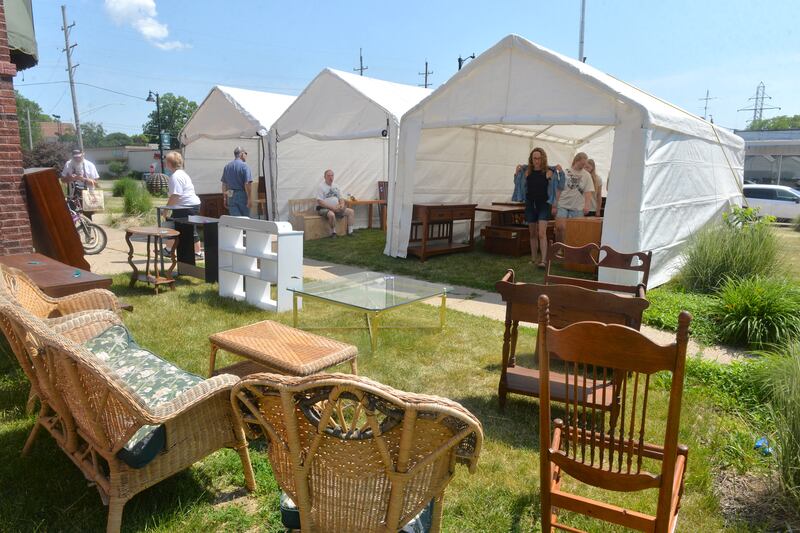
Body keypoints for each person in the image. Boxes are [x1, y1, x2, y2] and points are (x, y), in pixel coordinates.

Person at [512, 148, 564, 266]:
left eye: (539, 158)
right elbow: (517, 184)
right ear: (531, 159)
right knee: (532, 234)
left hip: (544, 205)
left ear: (543, 158)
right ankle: (534, 259)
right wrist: (516, 172)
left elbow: (561, 185)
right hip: (530, 204)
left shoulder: (549, 172)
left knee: (541, 233)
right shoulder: (527, 172)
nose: (537, 161)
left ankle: (544, 260)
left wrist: (560, 172)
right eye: (535, 158)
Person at [162, 151, 203, 257]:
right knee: (177, 227)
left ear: (170, 163)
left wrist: (166, 209)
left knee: (175, 227)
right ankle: (169, 249)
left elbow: (175, 195)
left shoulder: (175, 176)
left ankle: (195, 252)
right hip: (189, 205)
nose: (165, 163)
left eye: (166, 161)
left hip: (186, 206)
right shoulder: (182, 174)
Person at [553, 152, 594, 242]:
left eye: (585, 164)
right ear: (576, 161)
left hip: (578, 207)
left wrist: (587, 205)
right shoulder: (565, 171)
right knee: (560, 227)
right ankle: (559, 247)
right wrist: (554, 205)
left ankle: (569, 250)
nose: (583, 166)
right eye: (582, 163)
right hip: (562, 204)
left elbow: (588, 192)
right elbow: (558, 189)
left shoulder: (587, 175)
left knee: (575, 230)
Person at [316, 169, 354, 237]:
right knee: (331, 215)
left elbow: (341, 198)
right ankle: (333, 233)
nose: (330, 177)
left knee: (351, 211)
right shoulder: (321, 187)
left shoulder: (336, 186)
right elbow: (320, 202)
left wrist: (342, 205)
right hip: (324, 208)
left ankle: (350, 232)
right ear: (324, 177)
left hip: (336, 208)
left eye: (332, 175)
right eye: (328, 175)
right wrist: (332, 208)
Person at [220, 146, 253, 217]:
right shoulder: (245, 166)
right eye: (246, 153)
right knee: (245, 220)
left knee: (236, 220)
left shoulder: (227, 166)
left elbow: (224, 184)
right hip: (242, 195)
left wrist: (225, 198)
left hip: (230, 194)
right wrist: (250, 198)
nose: (246, 155)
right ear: (241, 154)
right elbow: (247, 183)